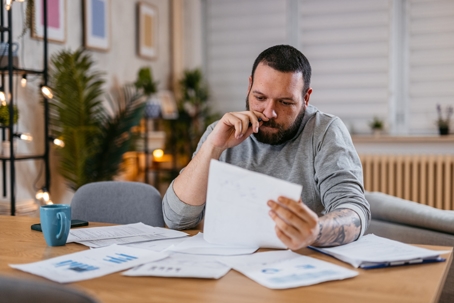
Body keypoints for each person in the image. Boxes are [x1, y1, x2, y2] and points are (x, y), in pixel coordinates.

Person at [163, 44, 370, 250]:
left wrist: (316, 231)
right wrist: (213, 147)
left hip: (298, 266)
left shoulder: (325, 132)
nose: (269, 112)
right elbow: (176, 220)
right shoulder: (221, 132)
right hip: (229, 263)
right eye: (260, 98)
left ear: (306, 98)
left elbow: (354, 211)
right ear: (249, 87)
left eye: (285, 102)